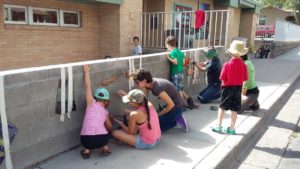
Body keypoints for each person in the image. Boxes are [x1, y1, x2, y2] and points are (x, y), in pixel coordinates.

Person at [118, 69, 188, 132]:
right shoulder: (149, 83)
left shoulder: (157, 88)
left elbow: (171, 105)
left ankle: (176, 119)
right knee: (152, 122)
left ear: (144, 81)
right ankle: (173, 118)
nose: (136, 85)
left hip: (176, 108)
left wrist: (157, 114)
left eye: (137, 82)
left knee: (155, 128)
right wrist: (128, 96)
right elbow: (142, 99)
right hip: (174, 106)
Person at [212, 40, 248, 135]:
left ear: (231, 52)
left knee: (222, 107)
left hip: (227, 88)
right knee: (234, 109)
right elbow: (245, 78)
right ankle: (232, 129)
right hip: (238, 88)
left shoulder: (227, 65)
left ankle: (219, 126)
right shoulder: (244, 65)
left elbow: (222, 78)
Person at [80, 65, 113, 159]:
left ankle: (86, 151)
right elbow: (110, 126)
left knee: (87, 142)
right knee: (103, 131)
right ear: (106, 101)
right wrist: (109, 130)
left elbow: (88, 87)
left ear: (95, 97)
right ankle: (105, 148)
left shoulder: (90, 103)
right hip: (102, 140)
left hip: (86, 140)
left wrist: (86, 72)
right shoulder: (105, 112)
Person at [165, 35, 196, 109]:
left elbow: (175, 62)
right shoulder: (179, 51)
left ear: (168, 44)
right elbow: (182, 63)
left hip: (175, 72)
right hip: (181, 72)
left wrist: (168, 57)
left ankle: (181, 105)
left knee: (177, 90)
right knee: (180, 89)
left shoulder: (172, 53)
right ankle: (185, 103)